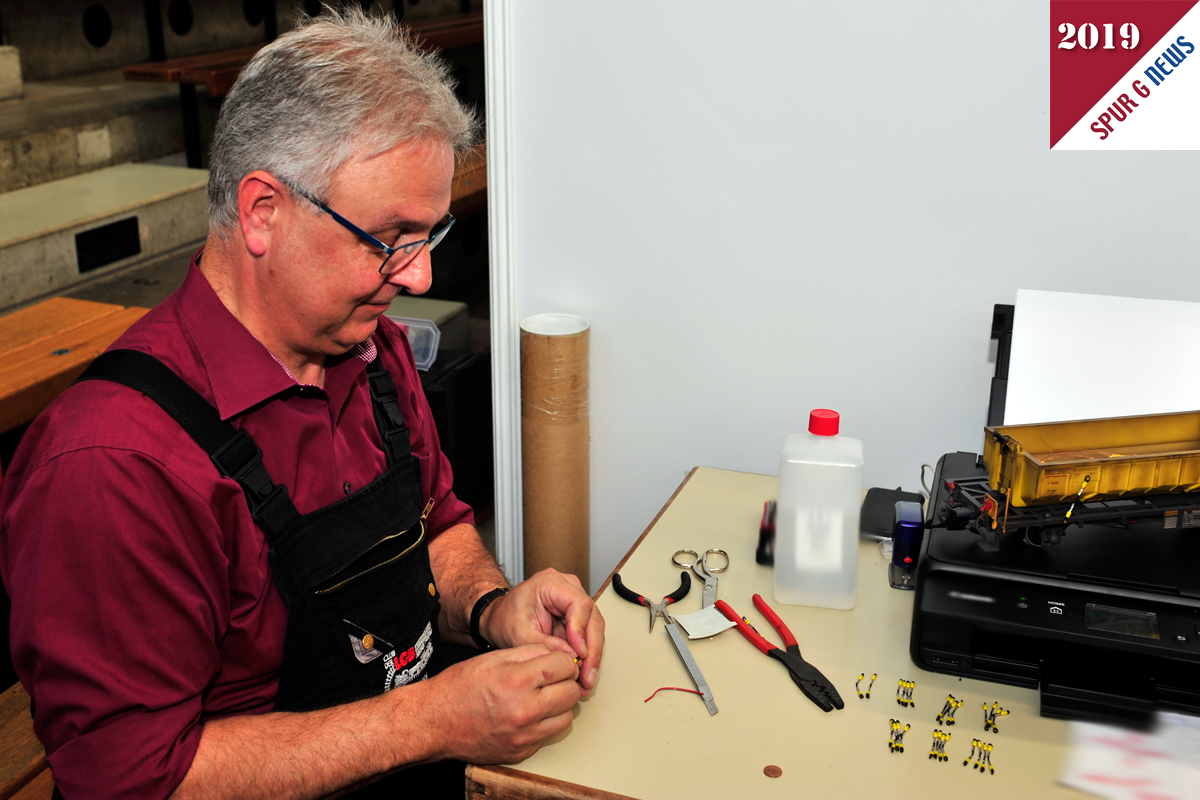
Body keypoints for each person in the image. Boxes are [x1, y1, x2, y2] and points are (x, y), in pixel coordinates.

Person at [0, 9, 603, 800]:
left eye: (428, 236)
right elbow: (131, 780)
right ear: (262, 212)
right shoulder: (114, 464)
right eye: (389, 238)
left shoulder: (369, 348)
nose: (419, 278)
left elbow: (440, 526)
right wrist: (432, 719)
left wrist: (493, 609)